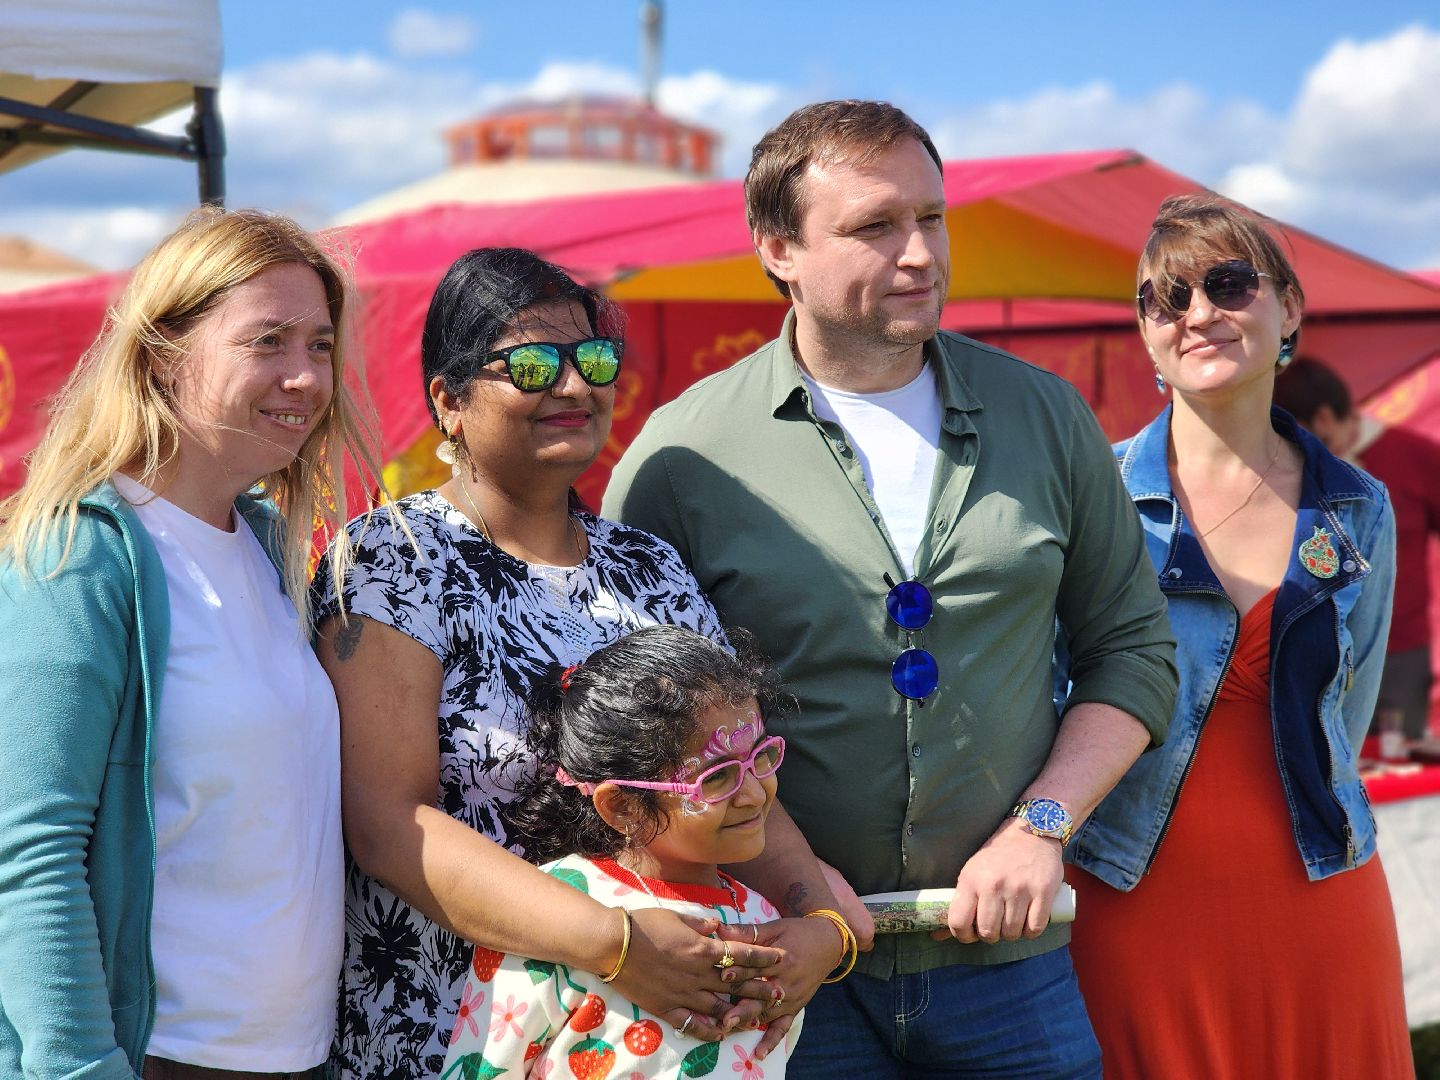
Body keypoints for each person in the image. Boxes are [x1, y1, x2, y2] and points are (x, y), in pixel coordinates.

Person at [603, 99, 1178, 1078]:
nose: (919, 253)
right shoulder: (682, 456)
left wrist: (1041, 827)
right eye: (875, 226)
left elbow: (1134, 650)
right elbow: (638, 717)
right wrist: (791, 879)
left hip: (1009, 962)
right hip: (780, 963)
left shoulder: (1046, 416)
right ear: (779, 249)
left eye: (932, 218)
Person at [313, 248, 848, 1077]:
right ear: (448, 401)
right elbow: (389, 824)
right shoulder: (394, 558)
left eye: (592, 359)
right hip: (467, 1033)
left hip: (656, 1041)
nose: (573, 385)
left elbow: (728, 770)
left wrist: (819, 926)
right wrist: (616, 944)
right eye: (531, 365)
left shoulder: (647, 566)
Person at [0, 207, 380, 1077]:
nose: (304, 376)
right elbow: (29, 851)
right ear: (164, 353)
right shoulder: (81, 555)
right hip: (154, 1056)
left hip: (297, 1057)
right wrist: (80, 1067)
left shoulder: (268, 548)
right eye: (267, 341)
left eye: (320, 345)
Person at [1065, 194, 1413, 1078]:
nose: (1197, 314)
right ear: (1145, 333)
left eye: (1227, 283)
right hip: (1127, 894)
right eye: (1166, 297)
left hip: (1322, 900)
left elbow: (1348, 716)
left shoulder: (1359, 508)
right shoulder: (1090, 495)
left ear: (1288, 308)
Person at [441, 625, 829, 1079]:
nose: (755, 793)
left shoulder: (765, 926)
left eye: (760, 756)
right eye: (718, 777)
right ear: (623, 806)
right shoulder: (546, 919)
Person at [1275, 356, 1440, 744]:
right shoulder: (1284, 468)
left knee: (1400, 761)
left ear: (1324, 418)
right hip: (1313, 651)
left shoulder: (1412, 455)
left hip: (1399, 652)